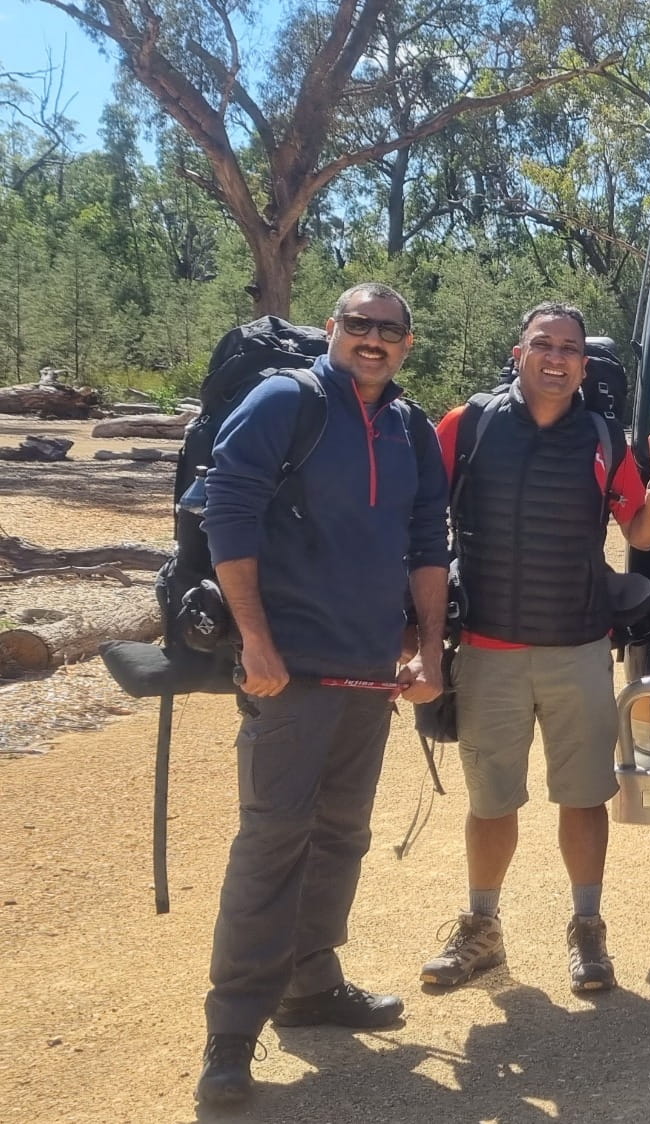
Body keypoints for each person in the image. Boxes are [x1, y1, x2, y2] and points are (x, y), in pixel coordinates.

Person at [195, 282, 450, 1106]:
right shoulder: (285, 400)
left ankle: (310, 985)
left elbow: (424, 540)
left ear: (407, 344)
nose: (373, 339)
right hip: (290, 669)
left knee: (341, 834)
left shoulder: (410, 426)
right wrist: (255, 639)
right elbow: (225, 511)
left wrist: (427, 647)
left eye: (389, 330)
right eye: (358, 325)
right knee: (274, 839)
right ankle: (231, 1034)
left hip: (371, 668)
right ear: (332, 331)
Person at [419, 301, 650, 994]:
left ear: (583, 364)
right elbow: (416, 521)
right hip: (486, 650)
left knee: (583, 797)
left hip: (577, 648)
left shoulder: (604, 438)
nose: (558, 357)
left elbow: (640, 535)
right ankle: (481, 930)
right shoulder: (467, 424)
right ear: (520, 353)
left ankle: (587, 931)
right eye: (544, 344)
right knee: (490, 802)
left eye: (571, 348)